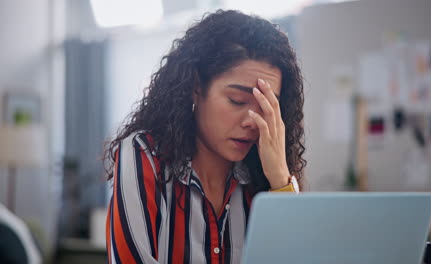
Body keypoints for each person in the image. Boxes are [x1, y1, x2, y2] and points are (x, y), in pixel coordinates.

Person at [104, 9, 306, 264]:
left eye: (266, 107)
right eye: (237, 100)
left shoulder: (262, 179)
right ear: (196, 87)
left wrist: (279, 177)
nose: (252, 122)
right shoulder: (144, 155)